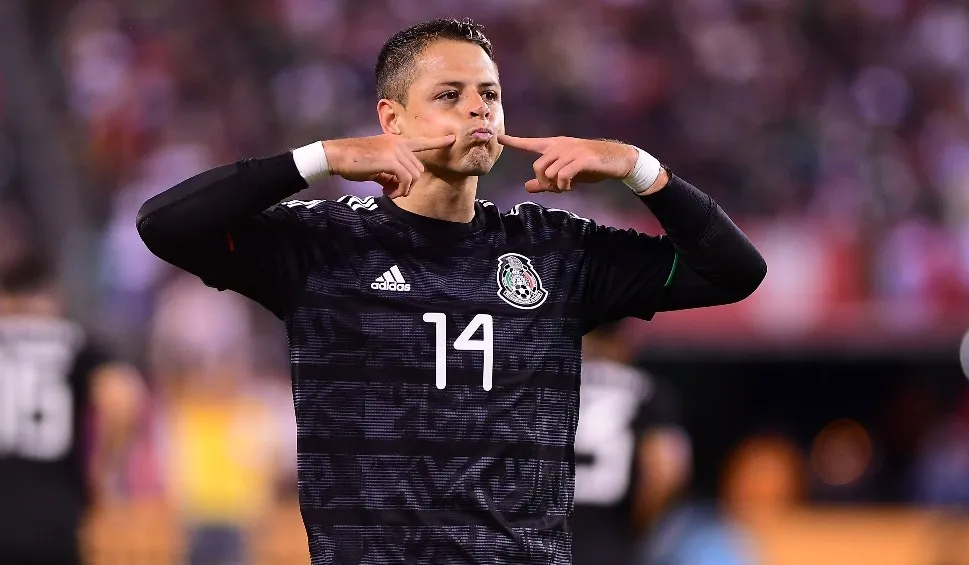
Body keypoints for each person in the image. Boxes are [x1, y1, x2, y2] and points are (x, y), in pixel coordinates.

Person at [136, 17, 766, 565]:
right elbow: (163, 224)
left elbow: (734, 272)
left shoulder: (558, 250)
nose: (478, 109)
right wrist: (318, 157)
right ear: (392, 118)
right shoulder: (323, 245)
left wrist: (637, 167)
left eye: (489, 94)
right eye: (450, 94)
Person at [0, 255, 145, 565]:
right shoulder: (74, 341)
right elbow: (122, 396)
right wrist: (104, 470)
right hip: (54, 515)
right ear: (53, 295)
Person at [572, 321, 691, 565]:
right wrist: (639, 526)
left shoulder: (553, 384)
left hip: (549, 538)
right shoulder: (649, 391)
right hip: (612, 540)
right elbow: (665, 473)